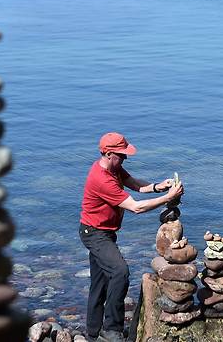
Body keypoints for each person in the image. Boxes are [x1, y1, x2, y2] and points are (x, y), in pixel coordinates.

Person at [79, 132, 184, 342]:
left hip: (103, 232)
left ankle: (92, 334)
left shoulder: (114, 168)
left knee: (100, 284)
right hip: (94, 233)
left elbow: (135, 184)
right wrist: (167, 198)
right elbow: (135, 207)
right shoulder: (101, 179)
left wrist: (157, 187)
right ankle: (111, 329)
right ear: (109, 154)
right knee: (120, 272)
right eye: (122, 154)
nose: (125, 157)